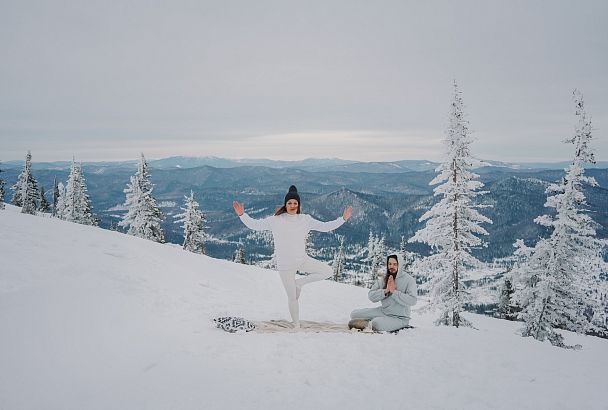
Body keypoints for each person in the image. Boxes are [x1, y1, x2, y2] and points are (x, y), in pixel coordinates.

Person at [233, 185, 353, 329]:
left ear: (298, 205)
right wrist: (242, 215)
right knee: (293, 297)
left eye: (295, 203)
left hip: (302, 260)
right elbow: (254, 225)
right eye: (289, 203)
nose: (292, 205)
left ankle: (300, 283)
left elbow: (325, 226)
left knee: (327, 271)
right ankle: (296, 324)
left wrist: (343, 219)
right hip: (285, 266)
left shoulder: (305, 219)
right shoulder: (275, 220)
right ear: (285, 204)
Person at [350, 253, 417, 332]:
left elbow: (413, 300)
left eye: (395, 264)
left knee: (376, 324)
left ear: (400, 265)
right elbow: (371, 296)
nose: (391, 266)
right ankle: (368, 323)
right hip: (383, 311)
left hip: (400, 317)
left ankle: (371, 323)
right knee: (354, 314)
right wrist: (385, 291)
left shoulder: (409, 280)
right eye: (390, 264)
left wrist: (394, 292)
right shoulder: (384, 279)